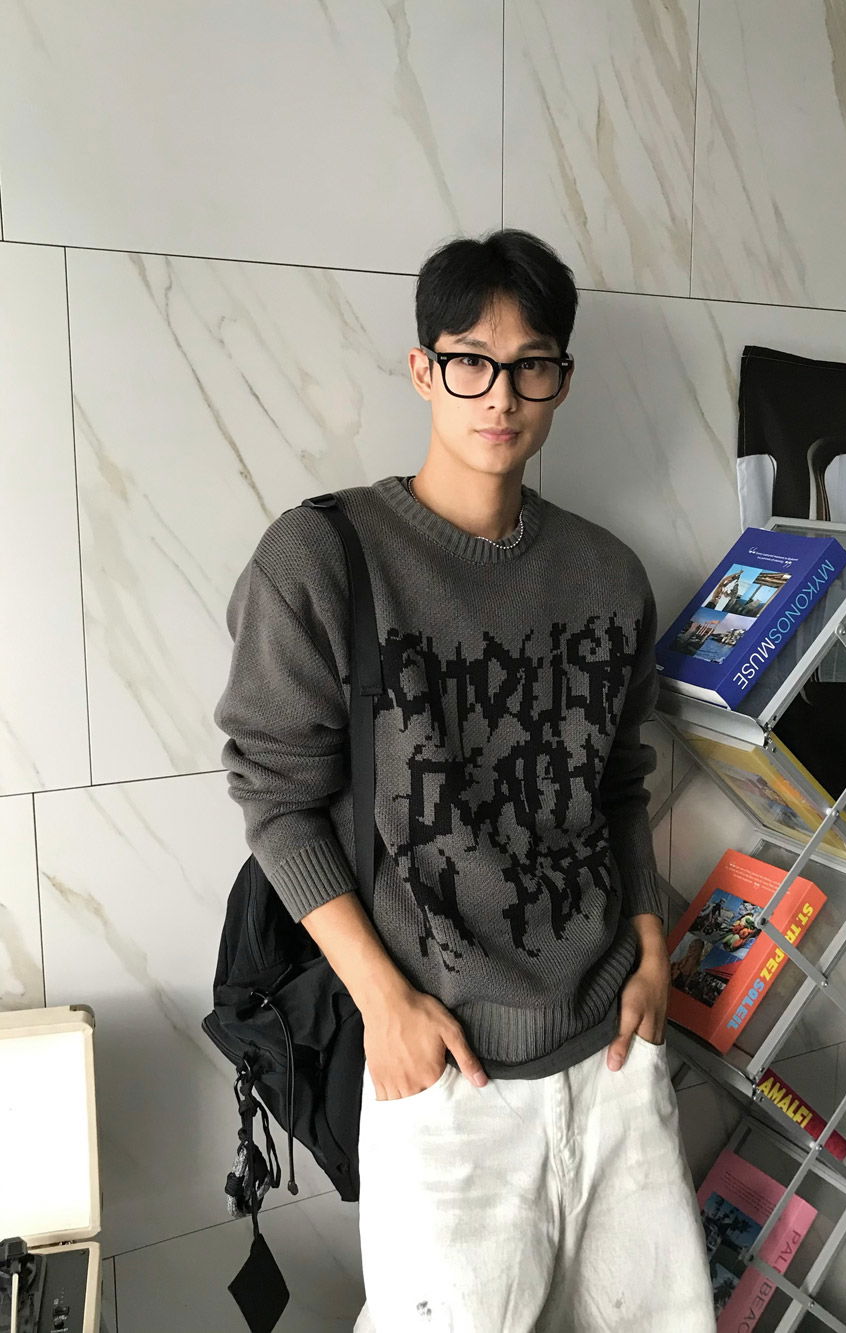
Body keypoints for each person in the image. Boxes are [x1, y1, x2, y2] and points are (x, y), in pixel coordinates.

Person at [214, 229, 714, 1331]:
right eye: (470, 361)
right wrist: (382, 1003)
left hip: (615, 1055)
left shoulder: (608, 573)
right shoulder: (321, 558)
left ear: (562, 381)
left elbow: (618, 780)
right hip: (446, 1073)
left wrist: (648, 941)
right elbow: (275, 793)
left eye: (531, 365)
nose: (500, 394)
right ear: (422, 368)